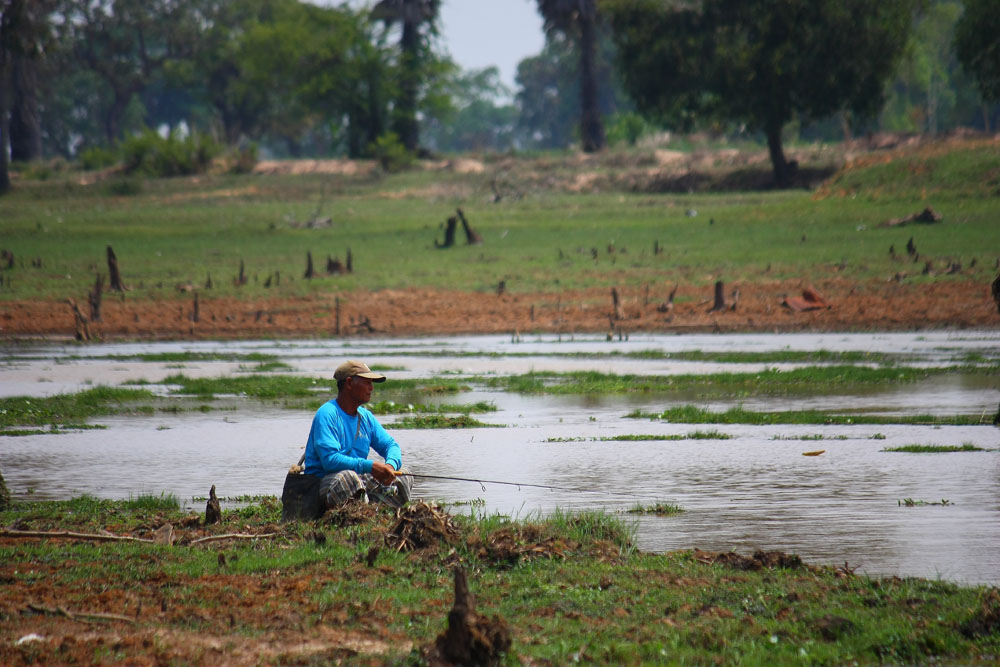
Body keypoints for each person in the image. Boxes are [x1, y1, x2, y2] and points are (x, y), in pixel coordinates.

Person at [304, 360, 413, 508]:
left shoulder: (365, 417)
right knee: (348, 478)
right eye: (367, 383)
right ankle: (356, 517)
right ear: (349, 383)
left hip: (358, 479)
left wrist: (390, 466)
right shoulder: (327, 413)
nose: (371, 388)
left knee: (404, 475)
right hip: (322, 483)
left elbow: (390, 445)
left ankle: (383, 514)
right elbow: (330, 461)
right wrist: (370, 466)